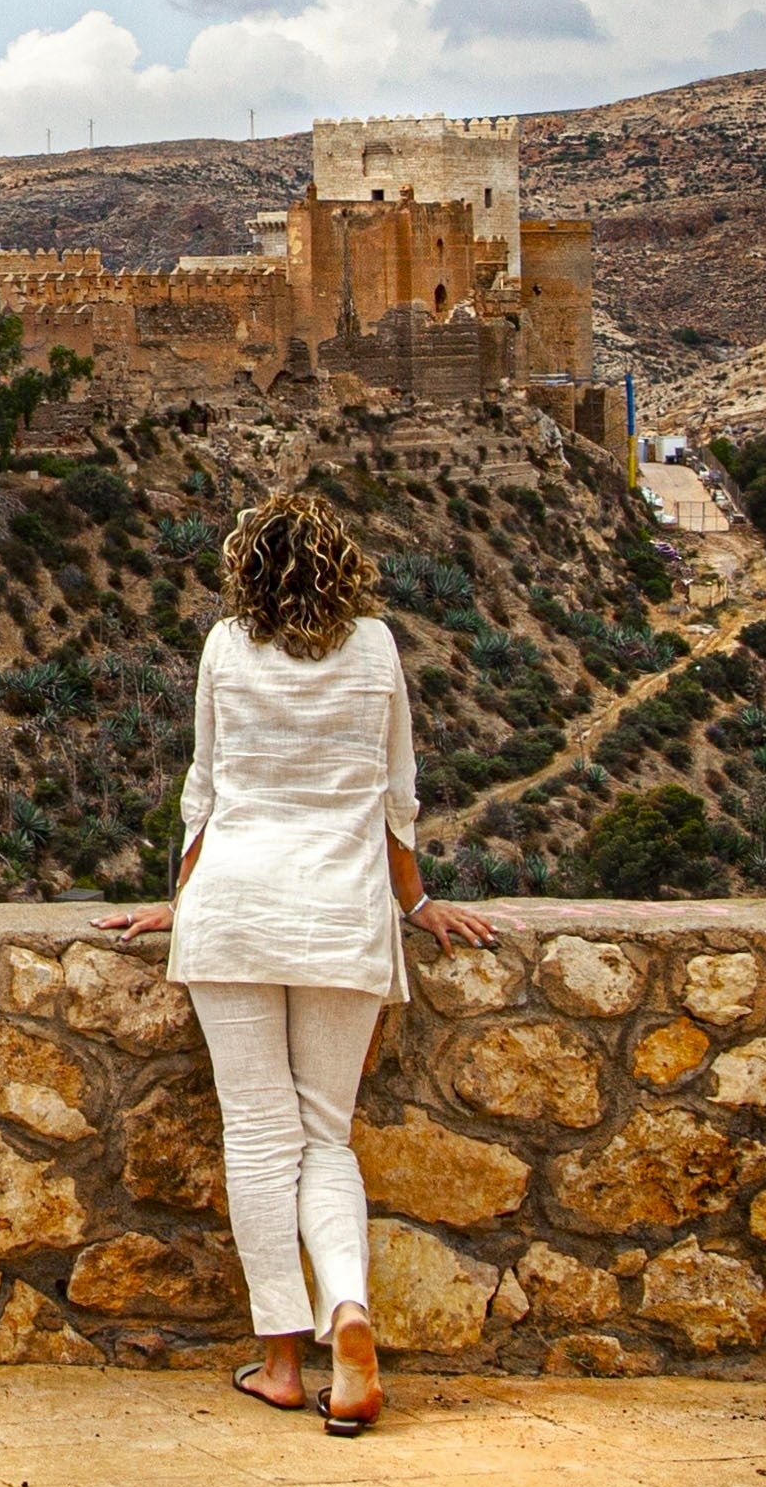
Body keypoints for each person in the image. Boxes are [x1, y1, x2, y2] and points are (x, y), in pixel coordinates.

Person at [94, 490, 499, 1434]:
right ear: (342, 563)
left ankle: (281, 1360)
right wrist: (421, 904)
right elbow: (396, 798)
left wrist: (182, 902)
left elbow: (204, 796)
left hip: (233, 908)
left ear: (246, 567)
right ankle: (348, 1315)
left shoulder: (227, 649)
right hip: (341, 917)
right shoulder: (377, 648)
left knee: (259, 1139)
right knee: (326, 1136)